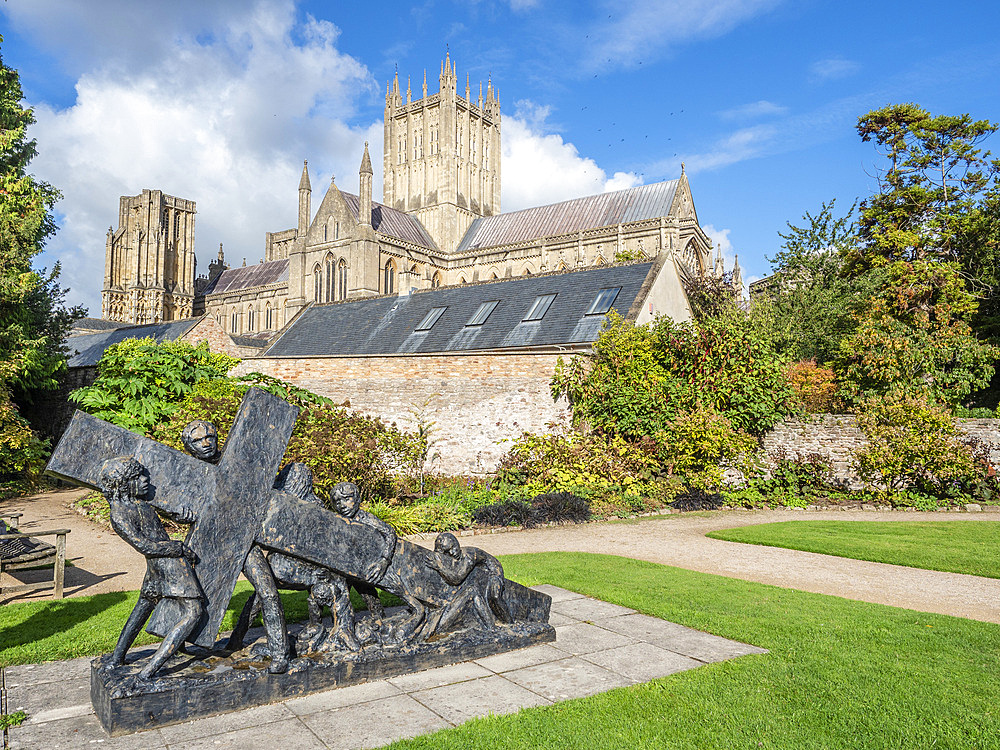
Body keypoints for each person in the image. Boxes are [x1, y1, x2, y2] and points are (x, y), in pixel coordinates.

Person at [180, 420, 290, 673]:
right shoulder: (188, 471)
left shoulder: (235, 459)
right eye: (198, 440)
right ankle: (182, 643)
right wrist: (182, 516)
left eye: (210, 437)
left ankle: (280, 653)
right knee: (191, 593)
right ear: (188, 446)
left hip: (244, 538)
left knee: (268, 591)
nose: (206, 443)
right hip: (211, 541)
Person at [228, 463, 361, 654]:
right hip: (290, 568)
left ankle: (236, 641)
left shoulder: (295, 502)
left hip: (292, 568)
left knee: (261, 596)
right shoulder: (294, 503)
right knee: (262, 595)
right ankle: (236, 642)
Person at [102, 456, 203, 680]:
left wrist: (180, 516)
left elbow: (161, 517)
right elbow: (143, 545)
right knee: (193, 613)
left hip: (156, 570)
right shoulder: (119, 513)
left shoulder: (140, 504)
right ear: (124, 483)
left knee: (142, 608)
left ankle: (117, 658)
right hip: (170, 565)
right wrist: (177, 547)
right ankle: (148, 671)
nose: (145, 479)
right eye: (137, 476)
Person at [424, 532, 511, 635]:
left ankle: (510, 623)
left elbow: (457, 578)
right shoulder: (454, 557)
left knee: (495, 596)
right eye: (447, 552)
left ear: (457, 544)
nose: (452, 553)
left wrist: (439, 567)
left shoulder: (469, 556)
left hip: (492, 572)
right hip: (477, 575)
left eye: (453, 548)